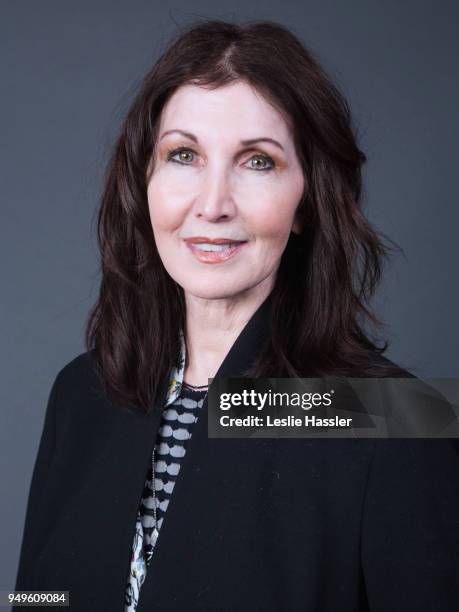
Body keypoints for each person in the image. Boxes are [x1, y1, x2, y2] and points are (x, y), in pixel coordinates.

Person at [13, 19, 458, 612]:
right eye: (184, 155)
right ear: (144, 181)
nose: (213, 204)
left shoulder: (393, 422)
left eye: (258, 162)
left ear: (308, 199)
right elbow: (37, 599)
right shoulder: (80, 395)